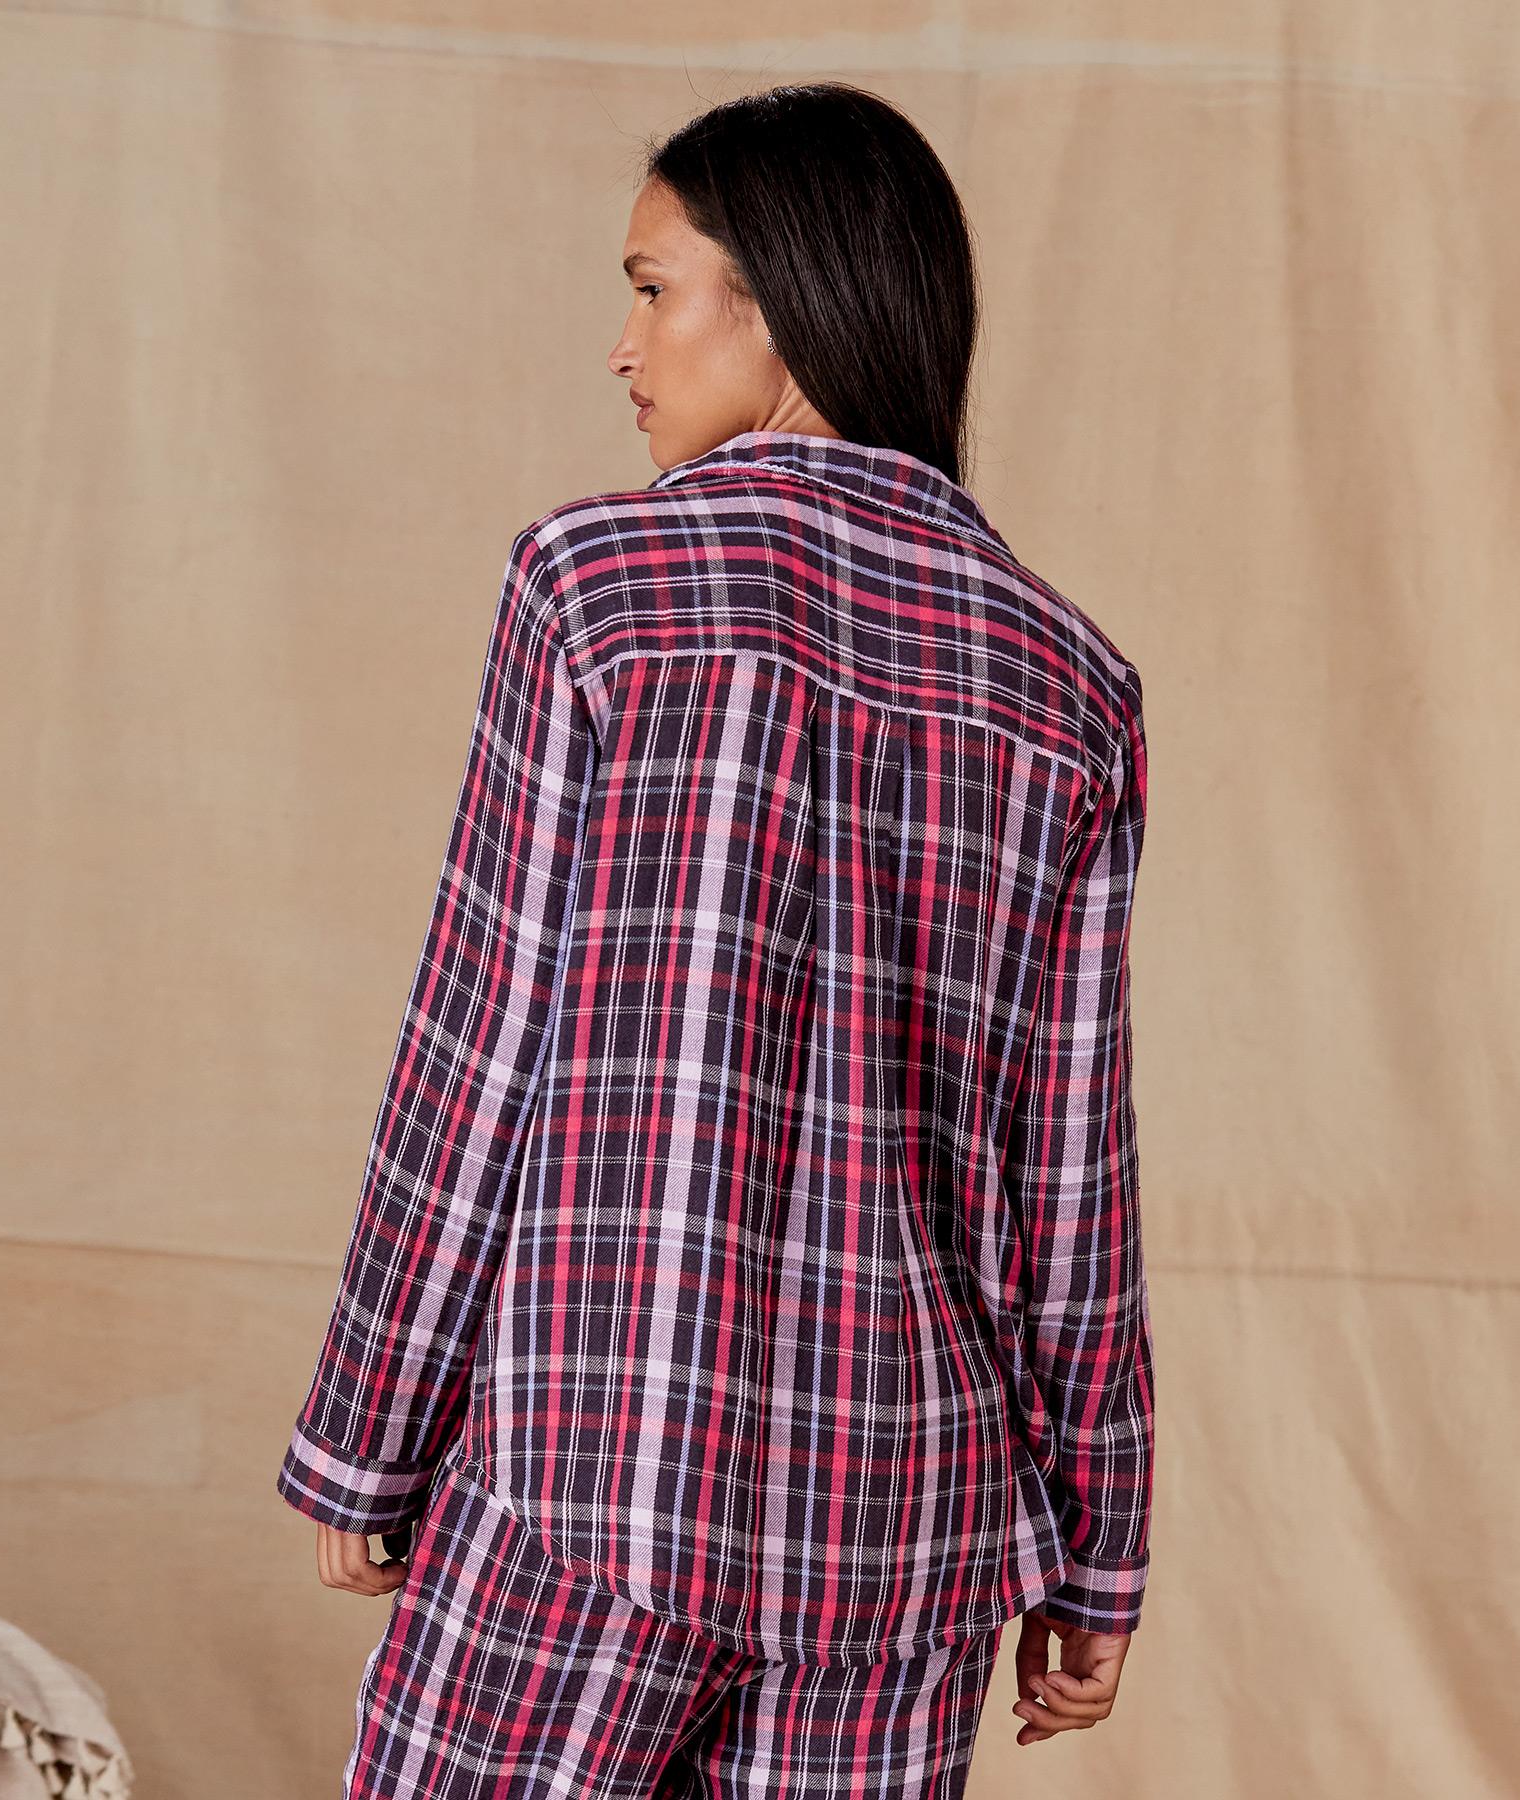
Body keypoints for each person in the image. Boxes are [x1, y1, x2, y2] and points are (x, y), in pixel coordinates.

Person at [276, 80, 1155, 1797]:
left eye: (653, 287)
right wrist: (1097, 1547)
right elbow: (1071, 1173)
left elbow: (485, 1043)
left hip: (596, 1477)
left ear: (783, 298)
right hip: (906, 1537)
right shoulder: (1071, 687)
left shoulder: (597, 586)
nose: (624, 347)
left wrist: (370, 1428)